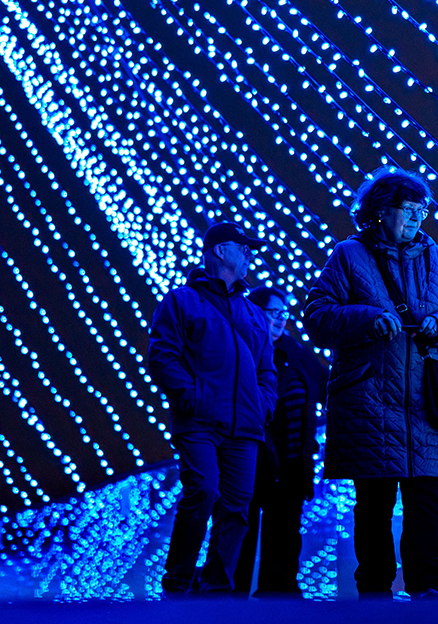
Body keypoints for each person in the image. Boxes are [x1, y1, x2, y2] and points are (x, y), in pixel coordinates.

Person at [304, 167, 438, 599]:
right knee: (374, 504)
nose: (419, 217)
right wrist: (366, 320)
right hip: (369, 401)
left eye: (424, 209)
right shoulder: (347, 255)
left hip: (426, 402)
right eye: (410, 209)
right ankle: (374, 595)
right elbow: (317, 319)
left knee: (424, 502)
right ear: (381, 210)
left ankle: (426, 589)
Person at [147, 219, 278, 597]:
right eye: (244, 247)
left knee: (237, 507)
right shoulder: (181, 301)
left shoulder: (253, 312)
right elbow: (162, 357)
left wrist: (263, 405)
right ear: (221, 250)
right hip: (200, 422)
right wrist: (191, 397)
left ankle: (216, 589)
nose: (250, 254)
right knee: (202, 490)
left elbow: (267, 369)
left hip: (246, 427)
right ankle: (177, 581)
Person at [233, 285, 327, 597]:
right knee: (238, 539)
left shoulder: (298, 355)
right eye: (274, 313)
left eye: (284, 314)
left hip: (291, 468)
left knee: (284, 545)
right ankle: (227, 608)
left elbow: (331, 387)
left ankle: (278, 604)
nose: (281, 319)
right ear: (255, 313)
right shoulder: (239, 349)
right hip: (249, 463)